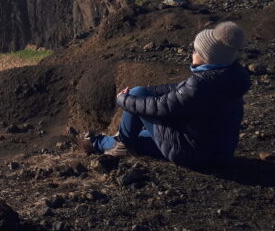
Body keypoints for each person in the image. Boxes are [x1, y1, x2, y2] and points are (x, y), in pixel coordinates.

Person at [69, 21, 251, 168]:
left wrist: (125, 99)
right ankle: (102, 142)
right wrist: (144, 92)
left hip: (193, 155)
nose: (192, 53)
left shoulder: (201, 84)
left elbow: (158, 107)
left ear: (206, 56)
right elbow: (179, 89)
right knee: (139, 137)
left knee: (137, 102)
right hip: (216, 153)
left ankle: (102, 143)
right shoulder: (226, 77)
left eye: (196, 50)